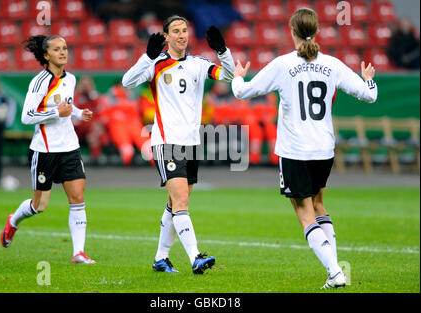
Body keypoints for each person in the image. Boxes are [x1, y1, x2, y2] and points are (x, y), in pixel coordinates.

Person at [232, 8, 377, 288]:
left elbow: (243, 92)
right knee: (319, 203)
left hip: (295, 150)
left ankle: (335, 272)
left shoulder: (283, 64)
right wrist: (368, 78)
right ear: (317, 31)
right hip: (324, 149)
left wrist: (238, 76)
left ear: (292, 31)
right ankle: (333, 271)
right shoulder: (332, 64)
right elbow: (369, 95)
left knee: (304, 210)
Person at [122, 15, 235, 274]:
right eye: (176, 31)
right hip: (166, 142)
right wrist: (147, 57)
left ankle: (161, 258)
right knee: (181, 200)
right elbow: (127, 82)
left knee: (175, 203)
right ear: (167, 36)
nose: (182, 35)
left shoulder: (198, 64)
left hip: (192, 143)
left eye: (185, 30)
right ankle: (196, 257)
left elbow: (227, 75)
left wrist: (223, 51)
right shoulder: (157, 64)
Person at [0, 35, 96, 264]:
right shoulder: (40, 82)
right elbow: (26, 116)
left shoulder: (71, 78)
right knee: (39, 205)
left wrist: (78, 113)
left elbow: (67, 105)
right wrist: (56, 113)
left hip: (70, 148)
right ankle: (14, 220)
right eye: (56, 49)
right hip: (44, 150)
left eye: (64, 48)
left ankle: (78, 252)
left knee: (78, 198)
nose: (63, 52)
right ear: (46, 55)